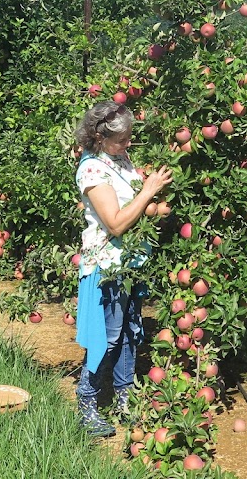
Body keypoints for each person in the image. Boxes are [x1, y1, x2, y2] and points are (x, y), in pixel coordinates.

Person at [72, 101, 173, 437]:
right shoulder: (91, 171)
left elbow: (135, 203)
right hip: (107, 268)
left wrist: (154, 200)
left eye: (130, 138)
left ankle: (124, 399)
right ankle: (86, 402)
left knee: (130, 333)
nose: (128, 144)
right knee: (108, 338)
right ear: (99, 138)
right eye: (121, 140)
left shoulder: (119, 157)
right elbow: (115, 224)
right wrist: (148, 192)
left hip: (131, 264)